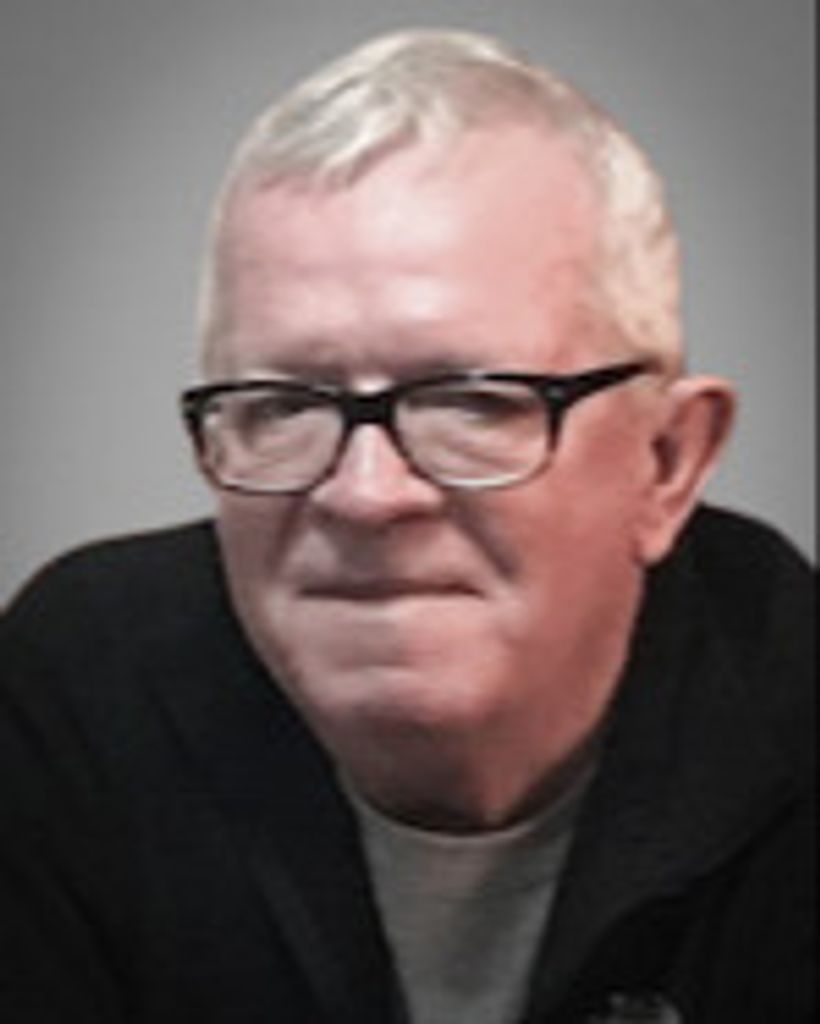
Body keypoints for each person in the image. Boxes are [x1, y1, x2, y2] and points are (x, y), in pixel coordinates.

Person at [0, 28, 814, 1024]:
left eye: (472, 402)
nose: (366, 494)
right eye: (284, 404)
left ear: (666, 463)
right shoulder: (74, 705)